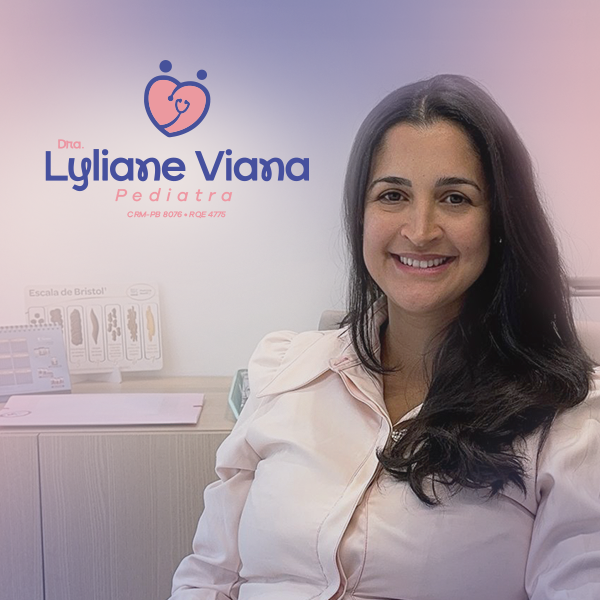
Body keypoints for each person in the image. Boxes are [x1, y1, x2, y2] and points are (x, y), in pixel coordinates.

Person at [169, 74, 600, 600]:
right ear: (360, 215)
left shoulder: (568, 422)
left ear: (500, 220)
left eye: (455, 198)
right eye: (392, 195)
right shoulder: (285, 371)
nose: (420, 230)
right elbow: (208, 575)